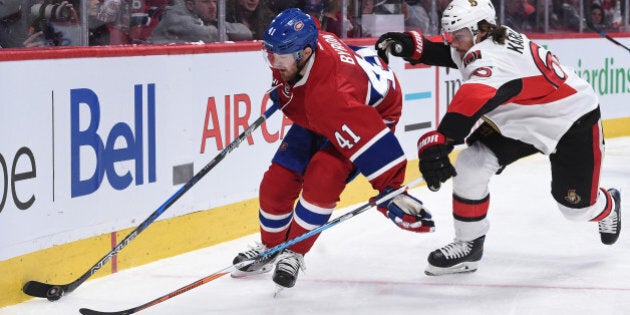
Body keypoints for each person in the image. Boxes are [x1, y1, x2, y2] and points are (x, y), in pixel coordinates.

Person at [375, 0, 621, 276]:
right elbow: (455, 55)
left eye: (457, 36)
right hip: (521, 118)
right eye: (450, 35)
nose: (452, 42)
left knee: (575, 210)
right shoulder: (487, 37)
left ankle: (608, 205)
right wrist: (414, 47)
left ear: (480, 29)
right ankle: (469, 246)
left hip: (570, 121)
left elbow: (473, 97)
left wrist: (442, 138)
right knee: (471, 164)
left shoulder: (492, 56)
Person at [231, 8, 435, 289]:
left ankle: (293, 252)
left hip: (369, 111)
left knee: (323, 178)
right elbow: (310, 40)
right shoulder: (304, 46)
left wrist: (392, 191)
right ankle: (271, 248)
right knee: (276, 184)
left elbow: (371, 138)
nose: (273, 61)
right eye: (271, 52)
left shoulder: (333, 97)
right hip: (329, 103)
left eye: (281, 55)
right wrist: (286, 95)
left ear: (303, 53)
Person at [148, 0, 252, 44]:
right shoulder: (175, 18)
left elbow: (246, 32)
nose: (212, 6)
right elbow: (214, 36)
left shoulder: (206, 19)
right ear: (190, 5)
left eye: (214, 1)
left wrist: (220, 28)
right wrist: (221, 31)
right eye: (206, 1)